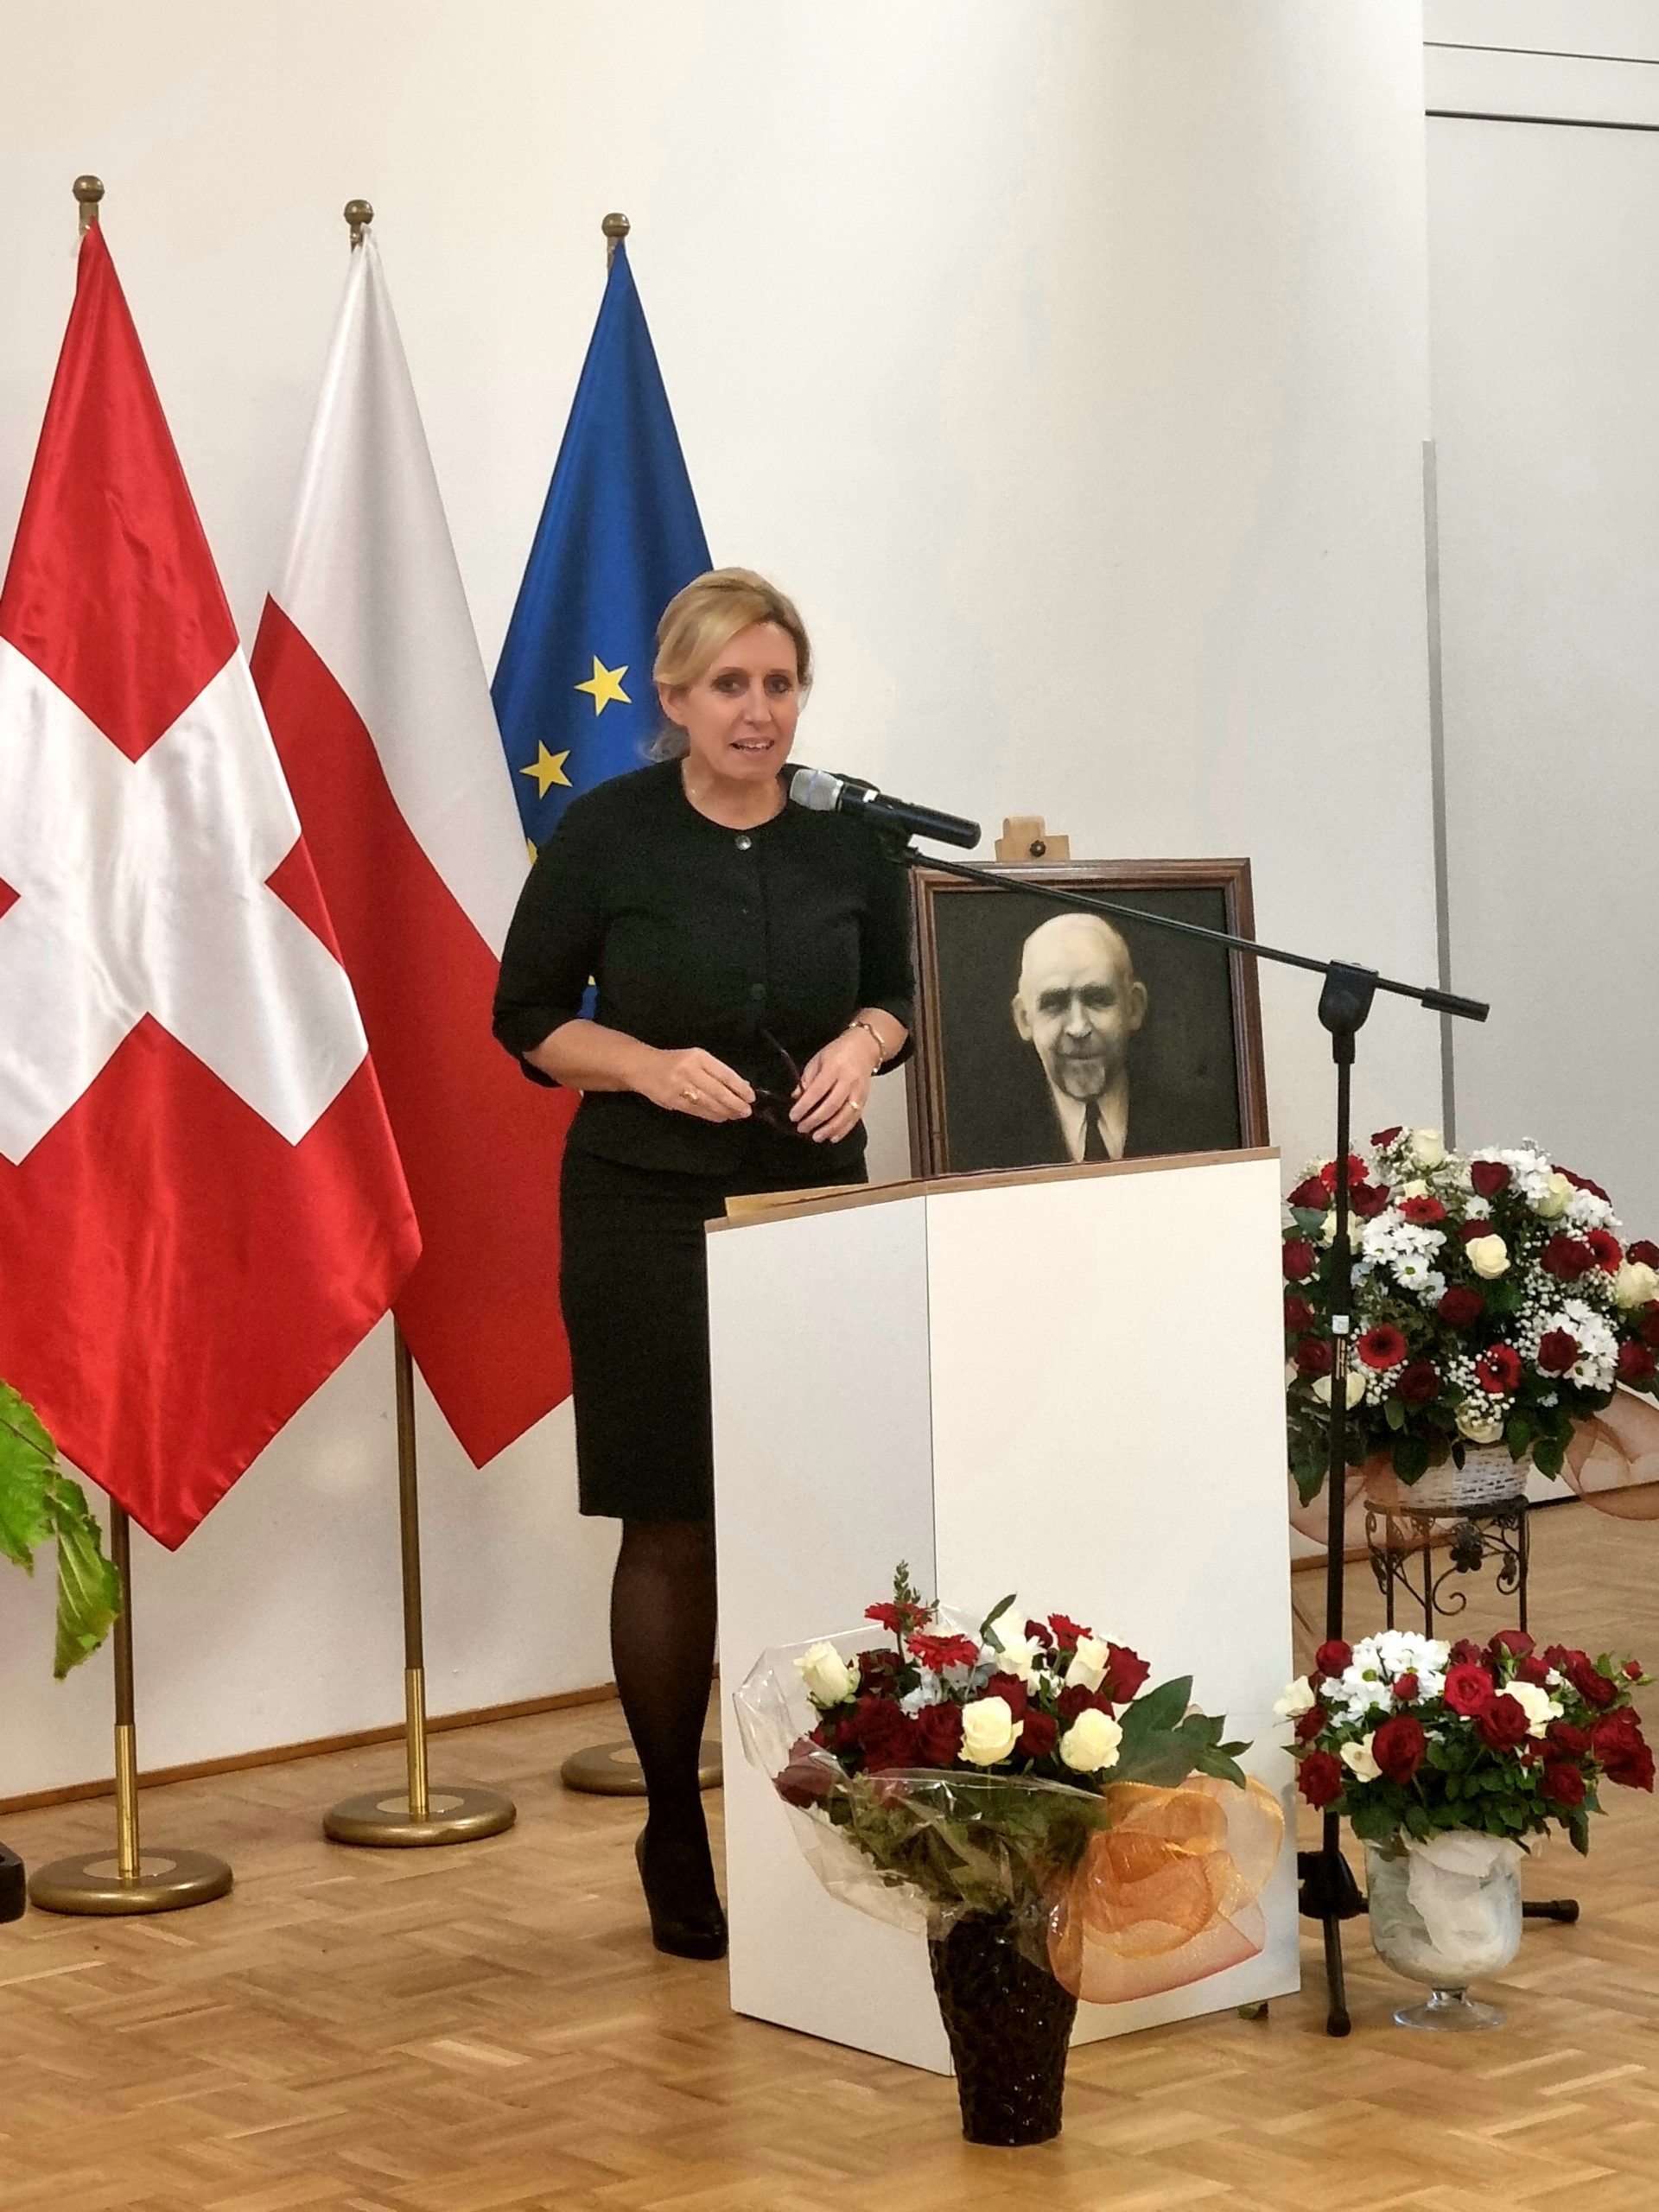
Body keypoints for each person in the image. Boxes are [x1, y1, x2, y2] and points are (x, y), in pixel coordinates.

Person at [493, 569, 912, 1960]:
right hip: (644, 1211)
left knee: (813, 1502)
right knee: (673, 1520)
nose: (758, 710)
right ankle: (674, 1817)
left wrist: (865, 1044)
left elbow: (906, 988)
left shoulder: (850, 838)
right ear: (673, 698)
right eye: (730, 684)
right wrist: (646, 1066)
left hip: (810, 1210)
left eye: (780, 683)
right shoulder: (608, 831)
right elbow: (526, 1015)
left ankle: (826, 1824)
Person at [1009, 912, 1147, 1162]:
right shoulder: (985, 1140)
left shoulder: (1201, 1126)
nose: (1078, 1027)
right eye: (1054, 1004)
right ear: (1024, 1019)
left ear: (1134, 1008)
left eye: (1097, 999)